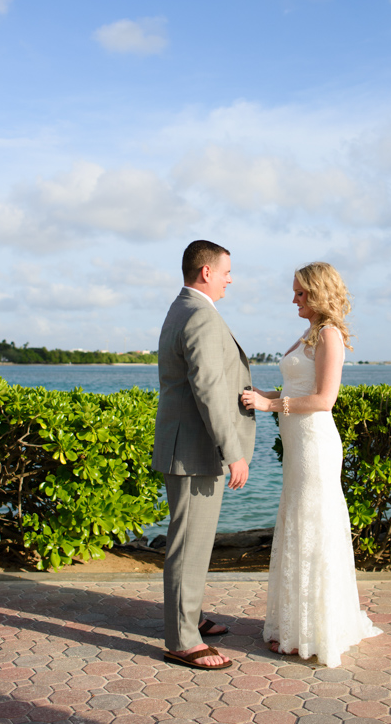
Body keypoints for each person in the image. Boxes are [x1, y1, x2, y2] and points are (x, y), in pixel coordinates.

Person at [242, 262, 381, 668]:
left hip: (316, 444)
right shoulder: (308, 334)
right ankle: (296, 624)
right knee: (298, 522)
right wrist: (257, 394)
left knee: (313, 525)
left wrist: (270, 404)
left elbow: (323, 399)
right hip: (298, 443)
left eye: (301, 293)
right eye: (295, 292)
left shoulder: (330, 336)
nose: (294, 299)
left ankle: (316, 629)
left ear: (319, 294)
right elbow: (293, 388)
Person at [152, 240, 256, 670]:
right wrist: (232, 451)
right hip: (197, 452)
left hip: (189, 448)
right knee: (189, 544)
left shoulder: (183, 308)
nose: (231, 278)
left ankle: (189, 615)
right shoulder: (199, 316)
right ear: (206, 272)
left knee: (193, 542)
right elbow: (210, 389)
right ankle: (182, 638)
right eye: (227, 271)